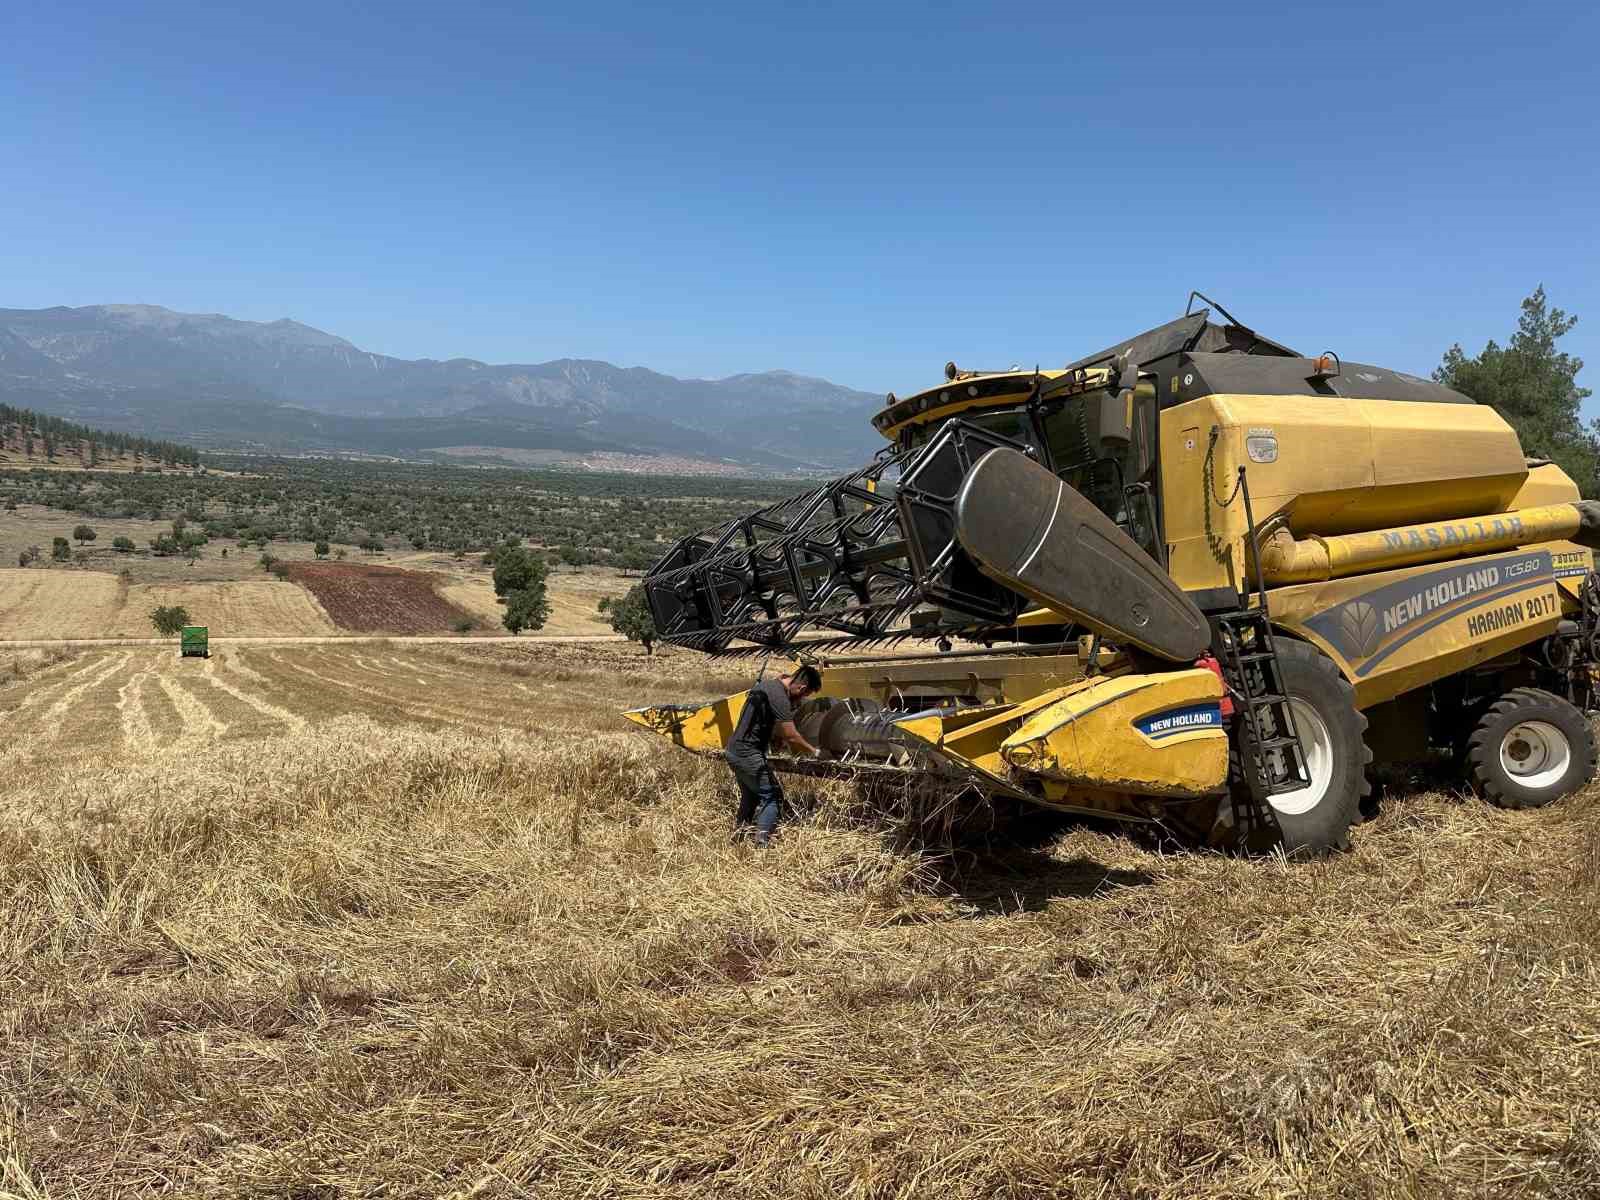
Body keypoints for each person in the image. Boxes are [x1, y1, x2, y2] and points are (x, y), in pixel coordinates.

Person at [726, 665, 824, 848]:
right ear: (801, 688)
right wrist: (815, 751)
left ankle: (737, 839)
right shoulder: (779, 697)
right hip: (747, 754)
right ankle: (761, 846)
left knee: (752, 795)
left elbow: (764, 721)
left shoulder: (768, 686)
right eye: (804, 695)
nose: (802, 699)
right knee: (773, 796)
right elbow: (791, 735)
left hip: (734, 750)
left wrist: (773, 740)